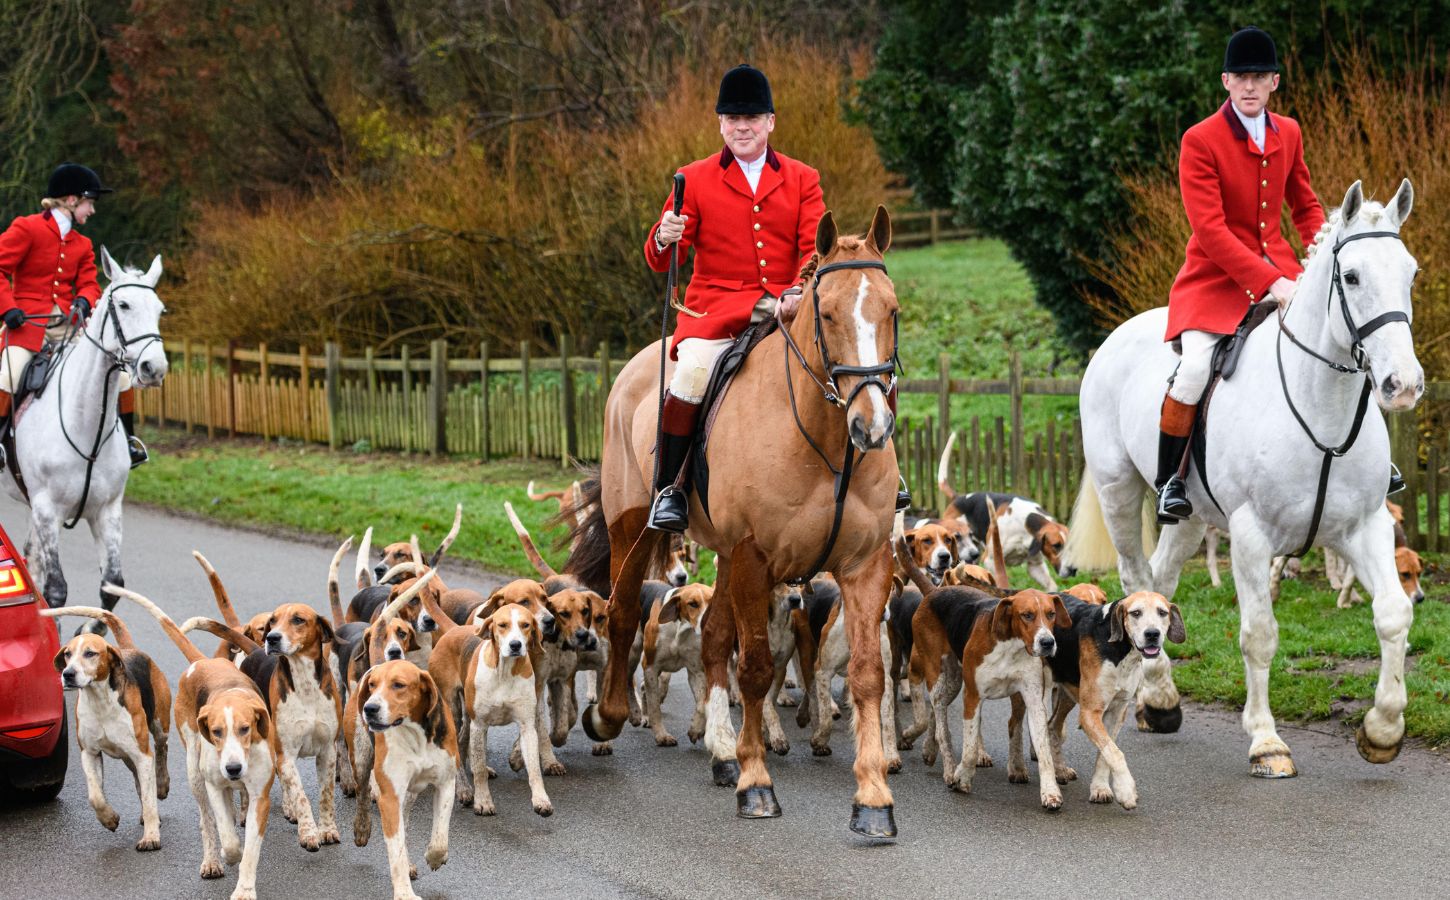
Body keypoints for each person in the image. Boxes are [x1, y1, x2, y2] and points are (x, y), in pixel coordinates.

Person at [642, 64, 826, 532]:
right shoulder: (693, 178)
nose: (741, 127)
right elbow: (663, 260)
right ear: (721, 123)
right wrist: (665, 236)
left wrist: (800, 289)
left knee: (855, 354)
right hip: (717, 311)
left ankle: (882, 474)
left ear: (770, 122)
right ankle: (670, 489)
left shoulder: (804, 178)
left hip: (791, 307)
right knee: (693, 370)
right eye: (732, 118)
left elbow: (813, 248)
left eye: (752, 118)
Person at [1156, 27, 1324, 523]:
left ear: (1275, 82)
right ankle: (1171, 482)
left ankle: (1368, 461)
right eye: (1241, 78)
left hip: (1284, 269)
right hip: (1213, 280)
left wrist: (1321, 257)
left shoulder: (1288, 131)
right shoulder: (1200, 139)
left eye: (1259, 77)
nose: (1250, 87)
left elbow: (1305, 205)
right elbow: (1210, 230)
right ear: (1225, 81)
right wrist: (1272, 282)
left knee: (1342, 339)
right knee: (1191, 372)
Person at [0, 163, 149, 468]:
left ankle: (128, 442)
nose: (91, 211)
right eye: (89, 203)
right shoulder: (27, 228)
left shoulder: (82, 244)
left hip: (68, 327)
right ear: (71, 200)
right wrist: (8, 308)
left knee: (120, 376)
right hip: (27, 324)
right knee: (10, 374)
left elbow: (90, 283)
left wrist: (83, 300)